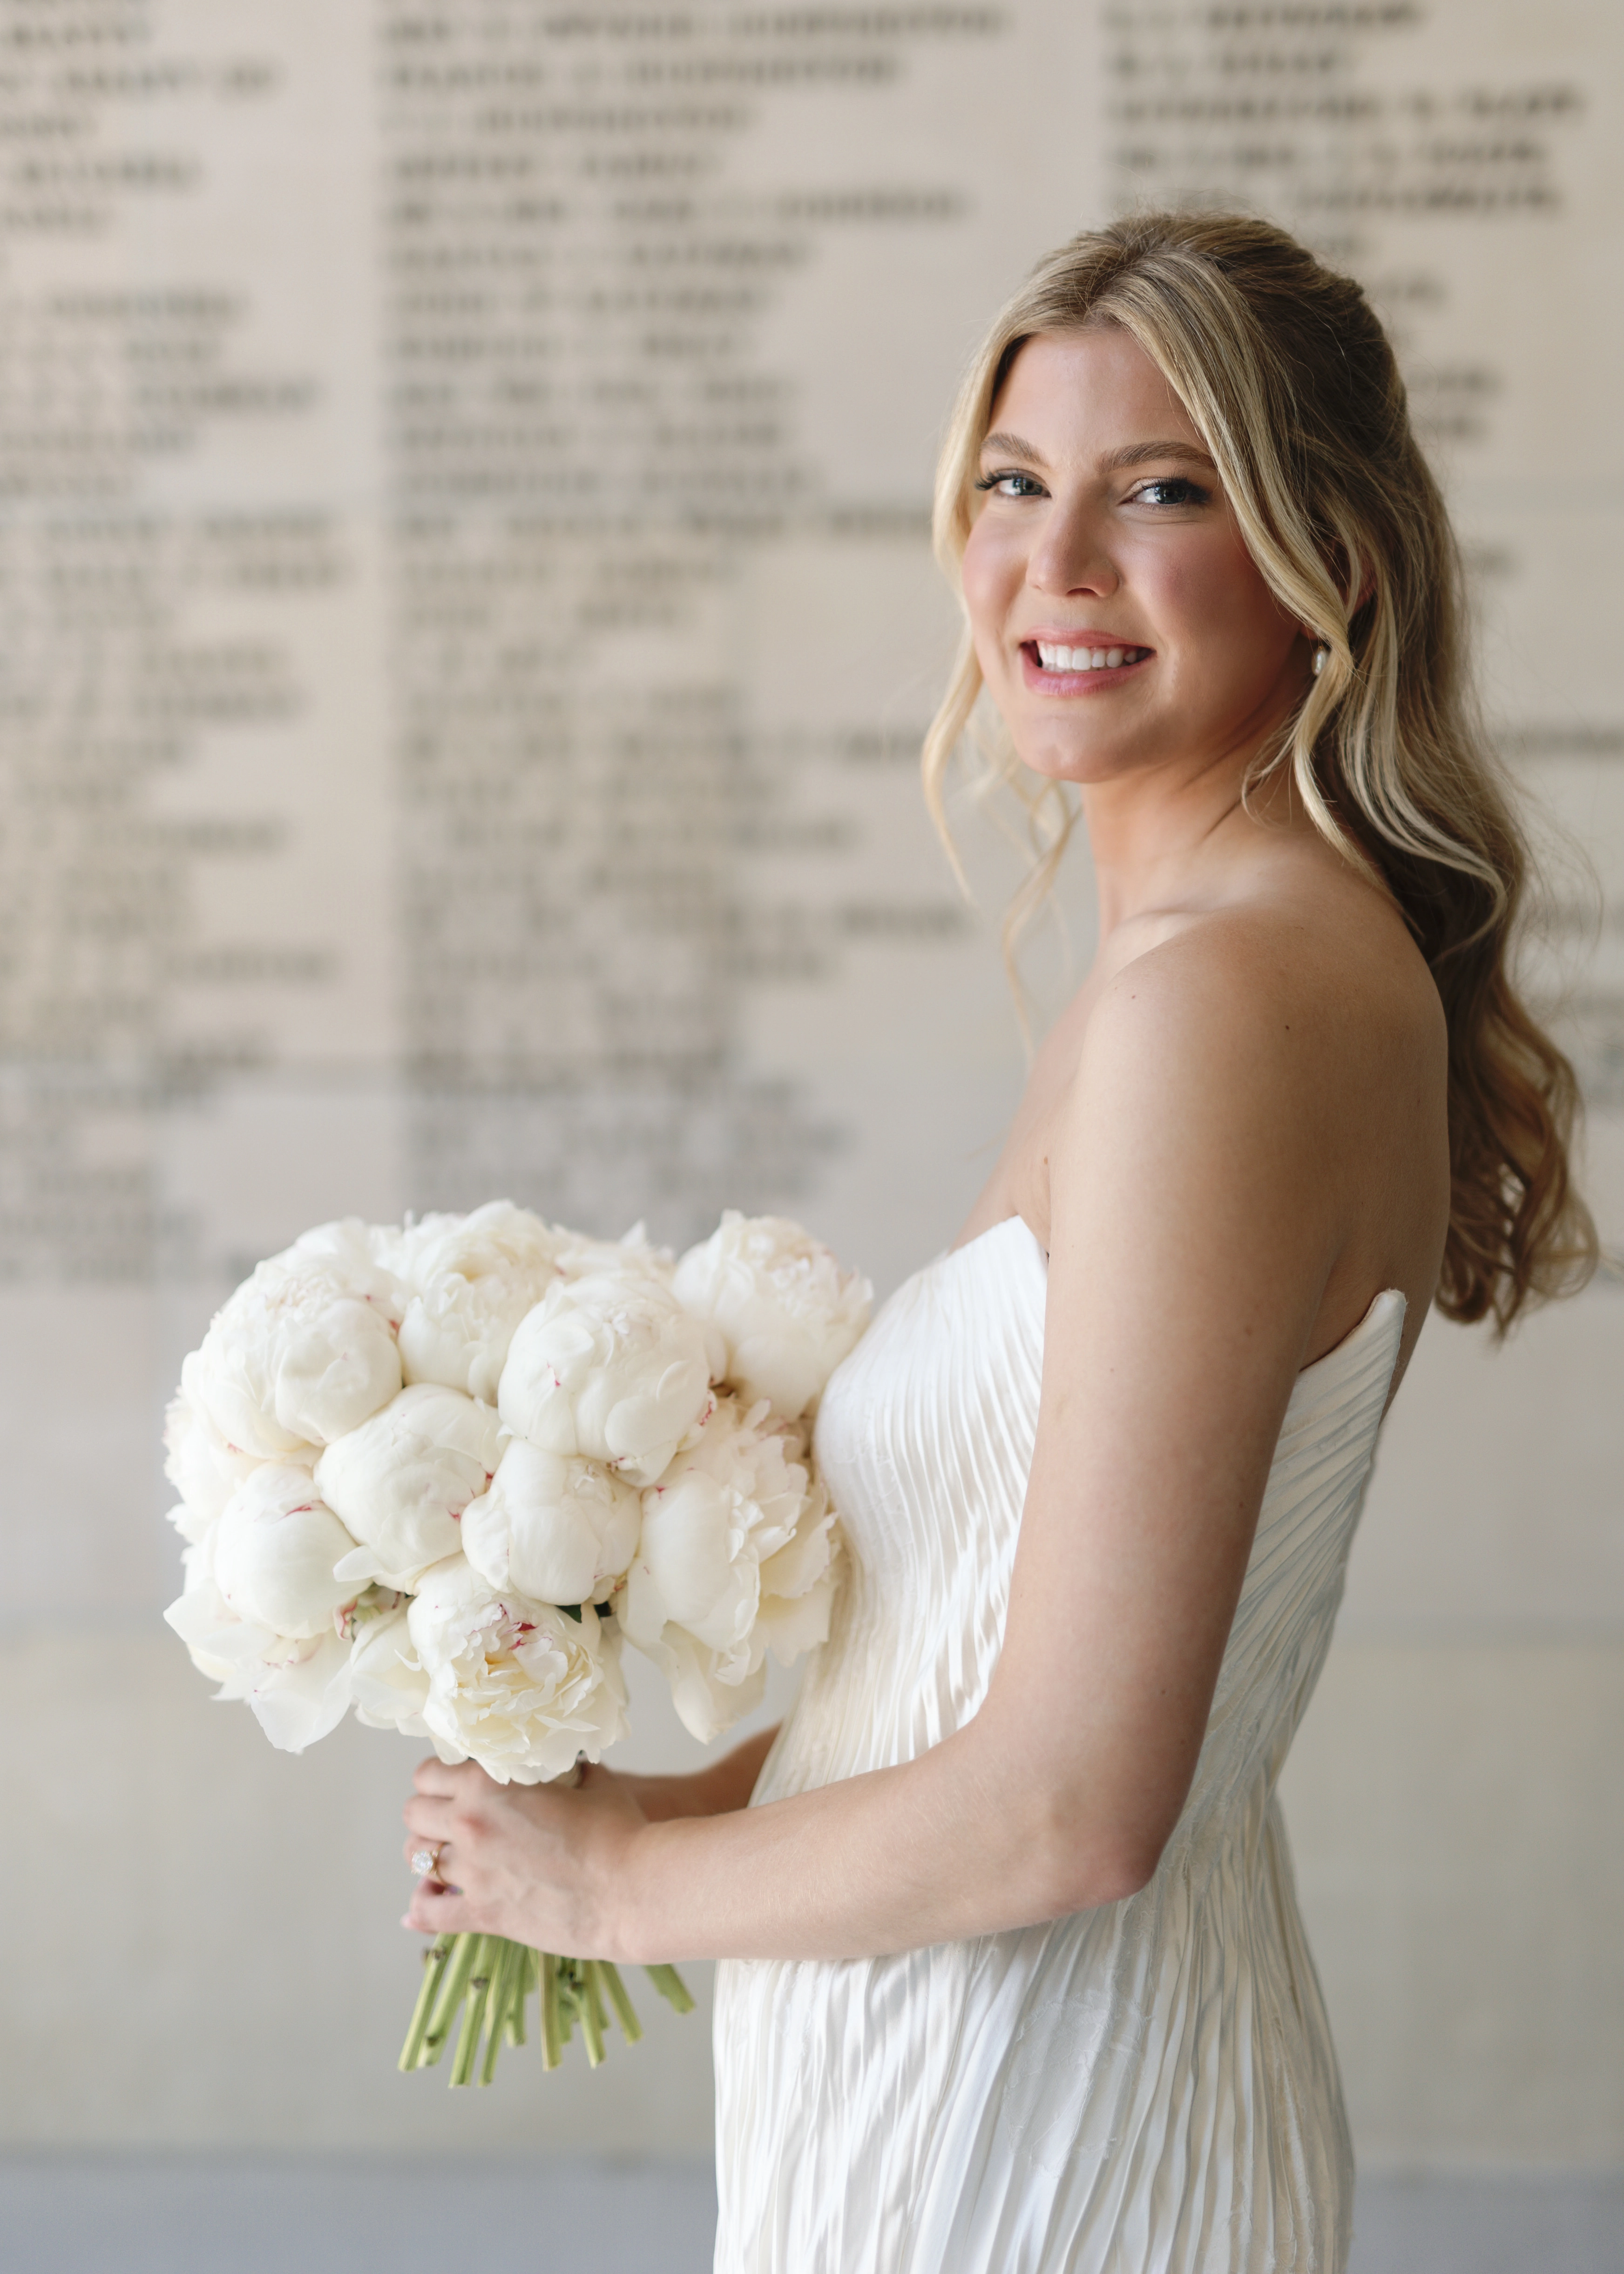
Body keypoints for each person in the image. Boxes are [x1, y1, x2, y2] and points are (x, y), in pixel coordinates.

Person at [400, 213, 1595, 2272]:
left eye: (1162, 490)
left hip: (1031, 2130)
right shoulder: (1220, 968)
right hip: (971, 2081)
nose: (1053, 568)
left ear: (1335, 556)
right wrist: (631, 1816)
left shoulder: (1217, 1007)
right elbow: (981, 1660)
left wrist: (608, 1899)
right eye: (1012, 486)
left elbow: (1072, 1797)